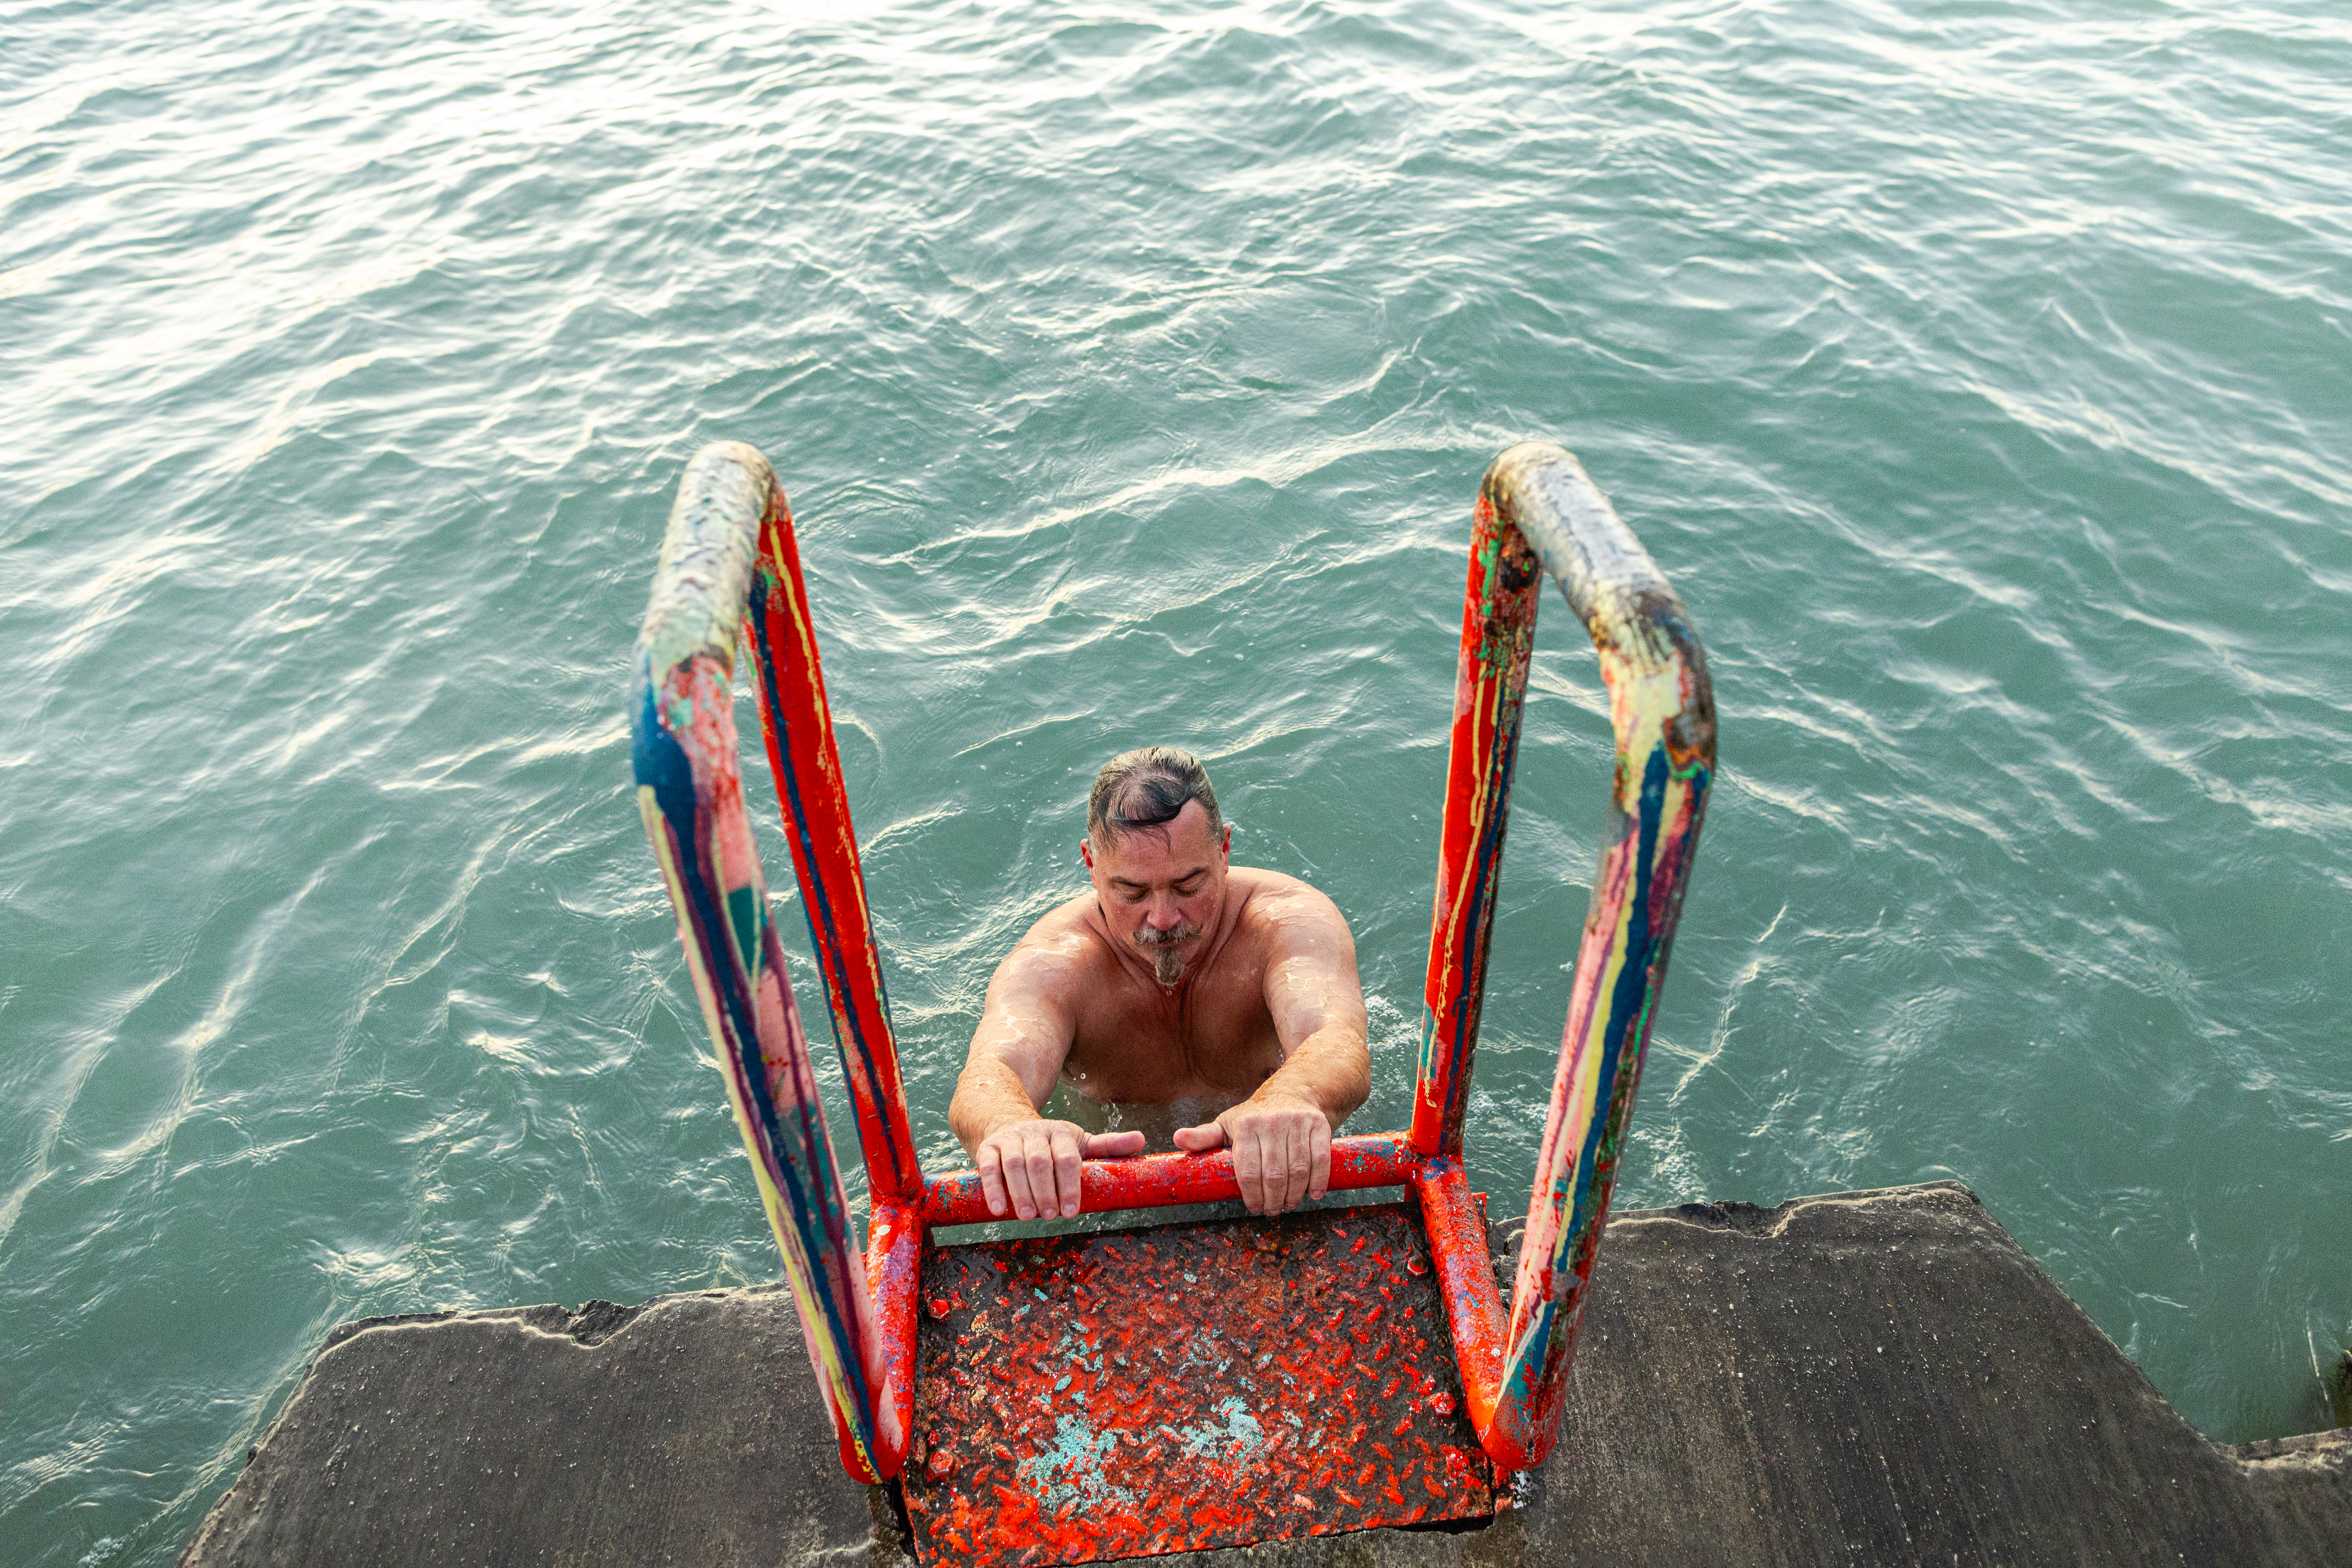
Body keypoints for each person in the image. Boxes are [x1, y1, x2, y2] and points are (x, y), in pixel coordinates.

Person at [948, 747, 1370, 1221]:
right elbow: (988, 1074)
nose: (1164, 918)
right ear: (1091, 865)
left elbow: (1336, 1040)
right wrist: (1012, 1126)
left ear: (1225, 850)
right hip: (1113, 1189)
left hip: (1282, 1165)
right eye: (1132, 892)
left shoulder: (1286, 921)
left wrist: (1294, 1096)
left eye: (1189, 886)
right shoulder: (1057, 962)